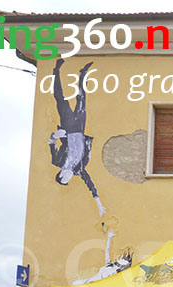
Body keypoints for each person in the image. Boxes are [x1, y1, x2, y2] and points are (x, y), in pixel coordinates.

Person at [48, 58, 106, 217]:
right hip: (79, 129)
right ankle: (83, 74)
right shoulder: (79, 169)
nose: (69, 176)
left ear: (61, 174)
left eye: (66, 178)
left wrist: (55, 135)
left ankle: (56, 72)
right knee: (81, 99)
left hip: (68, 128)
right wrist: (99, 204)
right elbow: (90, 184)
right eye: (68, 179)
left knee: (60, 99)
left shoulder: (57, 161)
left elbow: (51, 143)